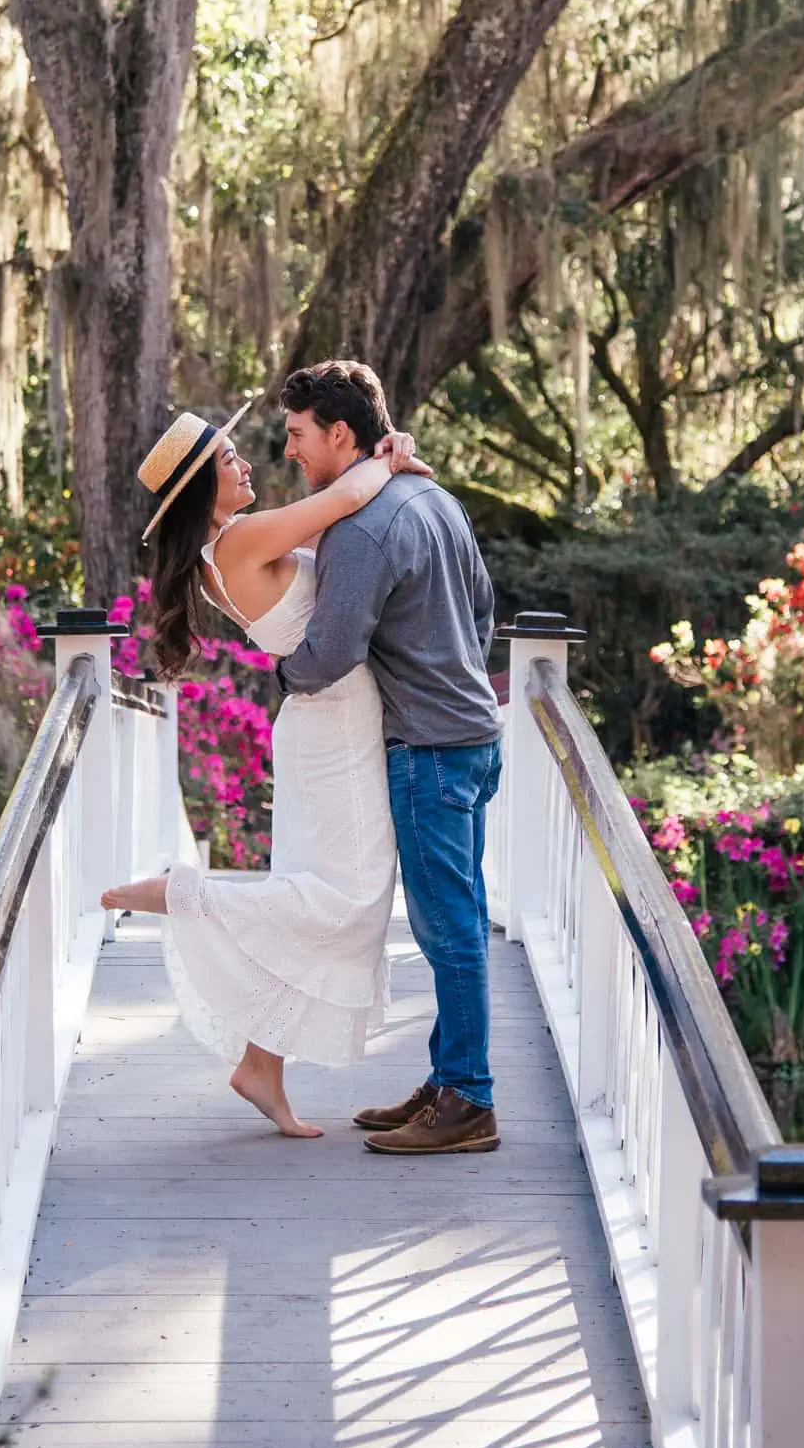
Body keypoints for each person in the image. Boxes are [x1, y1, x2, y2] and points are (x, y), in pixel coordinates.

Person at [99, 396, 425, 1139]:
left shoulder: (229, 548)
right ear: (198, 487)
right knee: (351, 901)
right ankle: (180, 895)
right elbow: (345, 495)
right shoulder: (241, 540)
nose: (246, 463)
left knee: (320, 897)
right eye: (228, 459)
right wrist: (389, 452)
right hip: (334, 730)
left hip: (326, 724)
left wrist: (381, 459)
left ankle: (262, 1068)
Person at [276, 360, 504, 1155]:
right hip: (475, 738)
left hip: (431, 754)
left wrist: (278, 671)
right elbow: (484, 607)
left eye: (299, 434)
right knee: (461, 920)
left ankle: (470, 1101)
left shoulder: (359, 528)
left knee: (450, 932)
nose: (291, 451)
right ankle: (448, 1082)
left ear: (342, 434)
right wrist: (454, 676)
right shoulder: (435, 498)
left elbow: (332, 649)